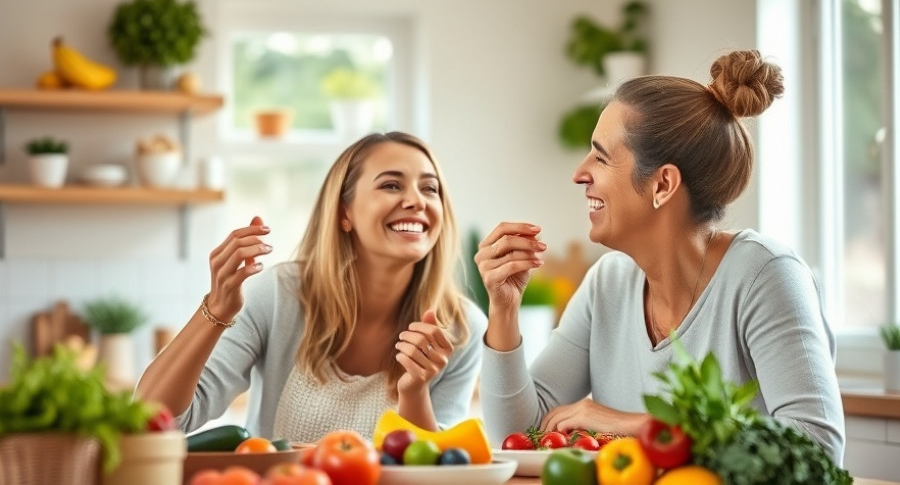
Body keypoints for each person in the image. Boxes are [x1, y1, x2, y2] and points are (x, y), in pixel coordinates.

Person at [475, 50, 845, 462]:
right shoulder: (608, 284)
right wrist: (503, 311)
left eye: (600, 156)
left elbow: (817, 449)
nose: (579, 173)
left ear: (663, 184)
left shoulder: (766, 276)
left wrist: (635, 425)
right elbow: (519, 438)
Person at [135, 131, 487, 442]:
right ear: (344, 213)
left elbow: (436, 467)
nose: (417, 201)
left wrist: (414, 394)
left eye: (430, 188)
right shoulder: (279, 296)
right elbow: (154, 419)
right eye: (391, 185)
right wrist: (216, 308)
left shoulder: (461, 327)